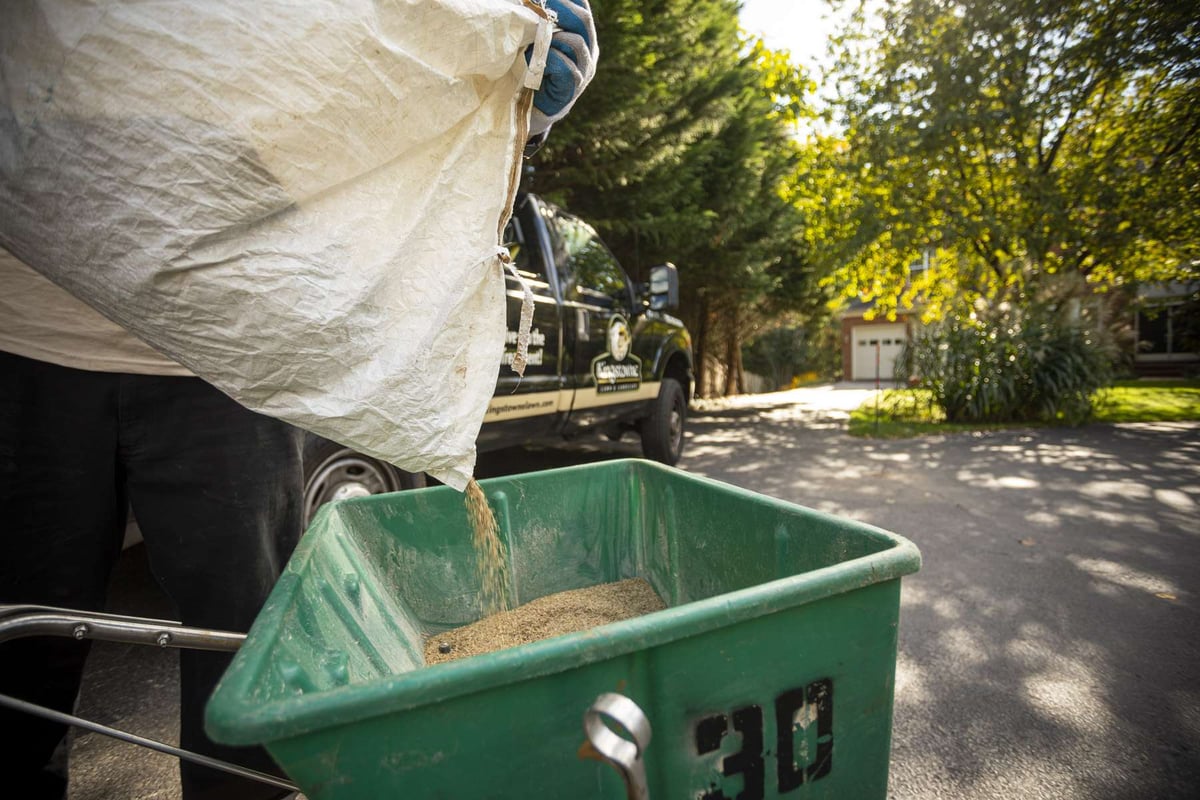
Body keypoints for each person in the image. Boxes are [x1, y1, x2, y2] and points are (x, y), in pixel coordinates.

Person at [0, 1, 598, 798]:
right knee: (19, 655)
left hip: (234, 358)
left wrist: (514, 89)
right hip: (25, 334)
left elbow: (363, 73)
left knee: (247, 659)